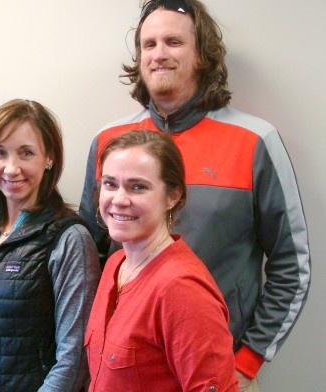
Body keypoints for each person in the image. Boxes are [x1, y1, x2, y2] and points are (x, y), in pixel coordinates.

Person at [79, 0, 311, 390]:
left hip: (217, 370)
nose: (159, 54)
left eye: (173, 42)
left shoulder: (255, 142)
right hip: (128, 371)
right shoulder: (110, 142)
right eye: (149, 44)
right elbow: (90, 253)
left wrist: (248, 359)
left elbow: (292, 264)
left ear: (202, 53)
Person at [0, 99, 101, 392]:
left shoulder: (69, 240)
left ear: (49, 158)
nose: (11, 168)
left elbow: (74, 358)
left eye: (26, 153)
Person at [86, 130, 238, 391]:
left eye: (138, 187)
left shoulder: (181, 290)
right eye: (110, 184)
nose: (119, 199)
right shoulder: (116, 264)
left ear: (172, 196)